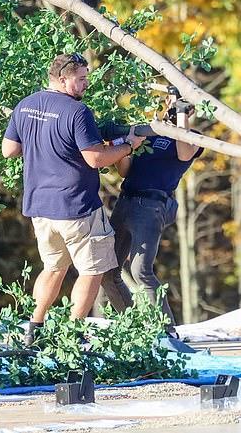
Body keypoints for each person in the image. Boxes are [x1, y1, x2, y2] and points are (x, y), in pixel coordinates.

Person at [2, 53, 145, 341]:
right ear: (63, 78)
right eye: (80, 79)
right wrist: (128, 146)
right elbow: (95, 158)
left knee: (53, 268)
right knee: (92, 271)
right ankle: (73, 333)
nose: (85, 84)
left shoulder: (26, 105)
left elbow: (9, 149)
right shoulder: (77, 112)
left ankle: (34, 328)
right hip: (76, 207)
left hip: (40, 207)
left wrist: (42, 143)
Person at [100, 96, 203, 330]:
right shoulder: (150, 132)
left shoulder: (192, 136)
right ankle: (136, 329)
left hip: (150, 205)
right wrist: (125, 148)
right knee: (107, 272)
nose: (171, 108)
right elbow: (126, 171)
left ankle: (166, 333)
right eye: (170, 104)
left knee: (141, 272)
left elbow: (185, 153)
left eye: (177, 106)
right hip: (125, 201)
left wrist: (182, 117)